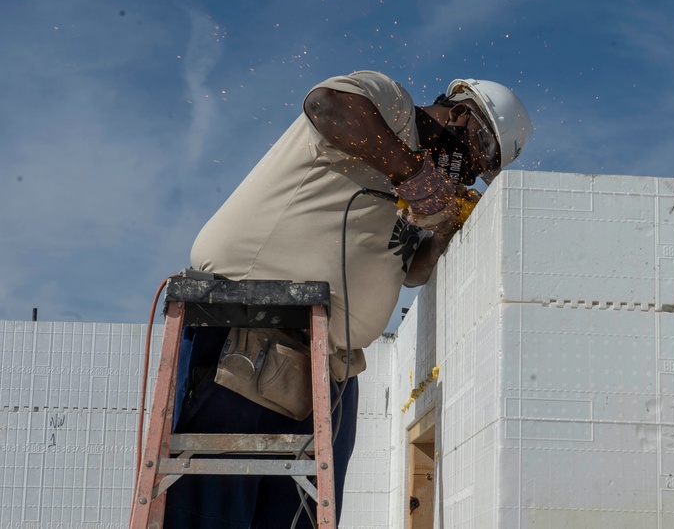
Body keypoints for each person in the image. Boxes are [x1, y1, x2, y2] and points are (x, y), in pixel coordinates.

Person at [163, 70, 533, 528]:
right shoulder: (391, 108)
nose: (473, 172)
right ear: (460, 114)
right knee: (214, 511)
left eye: (484, 170)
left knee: (298, 517)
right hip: (250, 332)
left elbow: (410, 271)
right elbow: (328, 106)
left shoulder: (418, 190)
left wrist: (441, 231)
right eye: (480, 153)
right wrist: (412, 173)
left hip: (332, 365)